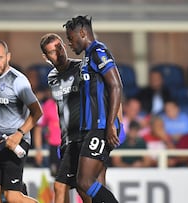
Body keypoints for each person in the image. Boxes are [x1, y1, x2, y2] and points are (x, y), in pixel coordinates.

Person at [64, 15, 122, 202]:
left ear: (82, 33)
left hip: (102, 125)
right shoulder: (88, 58)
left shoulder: (98, 52)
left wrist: (111, 124)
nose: (70, 44)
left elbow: (116, 85)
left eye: (71, 38)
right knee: (96, 182)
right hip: (92, 127)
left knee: (84, 182)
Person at [40, 33, 101, 203]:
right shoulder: (51, 77)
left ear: (65, 46)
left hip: (84, 138)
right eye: (52, 52)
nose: (58, 53)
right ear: (45, 57)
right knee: (81, 189)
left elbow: (104, 92)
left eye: (59, 47)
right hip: (67, 141)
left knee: (63, 186)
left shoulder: (82, 68)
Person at [0, 39, 42, 203]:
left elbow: (37, 112)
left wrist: (19, 134)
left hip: (17, 142)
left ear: (8, 56)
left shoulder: (18, 80)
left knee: (12, 197)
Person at [33, 94, 62, 177]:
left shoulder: (71, 102)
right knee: (54, 177)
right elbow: (38, 128)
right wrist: (38, 150)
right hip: (53, 146)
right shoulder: (48, 105)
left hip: (68, 144)